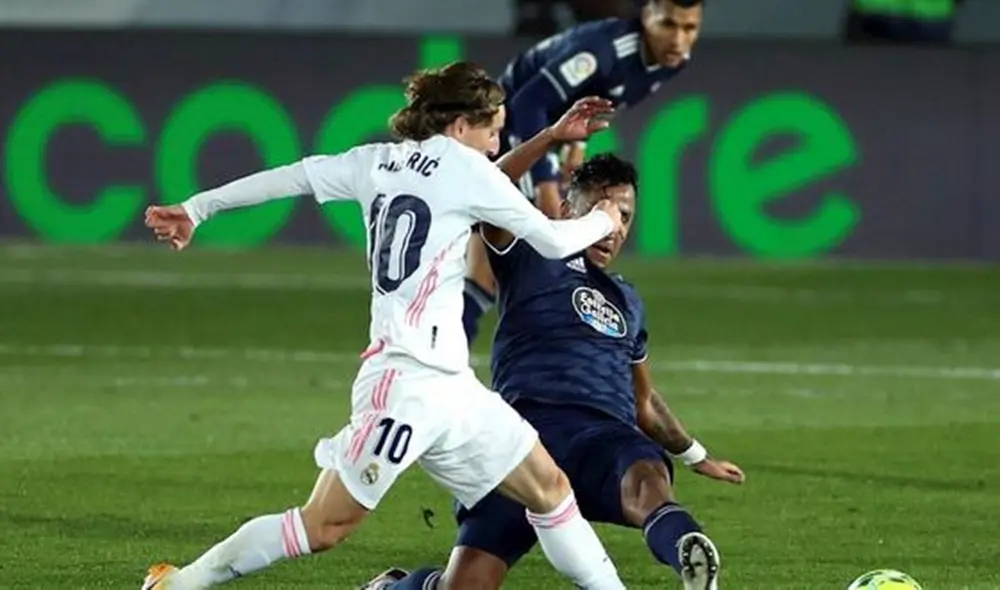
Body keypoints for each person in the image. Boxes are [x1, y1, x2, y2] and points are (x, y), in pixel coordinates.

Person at [139, 62, 631, 590]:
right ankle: (181, 583)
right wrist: (606, 216)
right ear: (461, 125)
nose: (494, 147)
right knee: (323, 526)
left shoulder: (375, 162)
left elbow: (289, 177)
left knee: (551, 488)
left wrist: (196, 207)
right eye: (491, 132)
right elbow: (555, 242)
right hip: (404, 387)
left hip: (452, 387)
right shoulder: (468, 171)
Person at [363, 153, 745, 590]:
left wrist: (696, 455)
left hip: (600, 437)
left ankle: (689, 556)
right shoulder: (530, 251)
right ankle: (395, 588)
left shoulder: (627, 299)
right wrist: (549, 138)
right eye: (602, 211)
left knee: (648, 480)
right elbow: (480, 185)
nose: (614, 227)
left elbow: (645, 402)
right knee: (465, 586)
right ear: (568, 210)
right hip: (518, 441)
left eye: (624, 216)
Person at [463, 0, 705, 346]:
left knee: (486, 267)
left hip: (549, 133)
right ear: (646, 15)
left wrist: (577, 148)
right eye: (668, 24)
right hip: (506, 129)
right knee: (525, 249)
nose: (679, 39)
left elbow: (606, 101)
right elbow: (527, 104)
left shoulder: (672, 61)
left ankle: (448, 357)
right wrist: (546, 184)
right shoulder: (603, 51)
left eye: (690, 28)